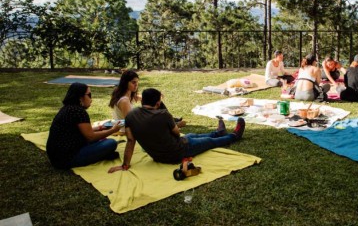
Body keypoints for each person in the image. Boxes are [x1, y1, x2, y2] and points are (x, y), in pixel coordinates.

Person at [108, 88, 245, 172]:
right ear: (157, 103)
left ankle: (219, 132)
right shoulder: (163, 115)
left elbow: (130, 141)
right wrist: (177, 125)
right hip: (177, 152)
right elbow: (177, 134)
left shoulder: (131, 116)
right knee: (208, 141)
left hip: (157, 155)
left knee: (191, 135)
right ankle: (234, 136)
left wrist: (125, 165)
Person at [46, 83, 120, 170]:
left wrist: (100, 128)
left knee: (102, 140)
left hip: (56, 157)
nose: (91, 99)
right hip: (67, 159)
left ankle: (103, 153)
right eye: (89, 95)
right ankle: (103, 155)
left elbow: (78, 131)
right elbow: (91, 137)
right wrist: (113, 130)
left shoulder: (67, 108)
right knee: (111, 143)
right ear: (80, 97)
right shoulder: (79, 112)